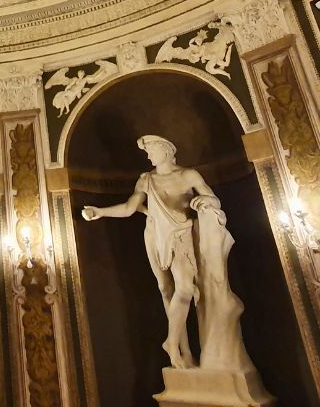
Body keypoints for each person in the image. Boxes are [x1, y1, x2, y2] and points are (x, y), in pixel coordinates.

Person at [81, 135, 220, 369]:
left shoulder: (189, 175)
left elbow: (213, 199)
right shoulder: (146, 180)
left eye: (151, 151)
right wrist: (100, 212)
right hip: (155, 235)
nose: (148, 156)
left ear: (165, 151)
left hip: (181, 234)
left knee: (185, 288)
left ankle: (171, 341)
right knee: (166, 289)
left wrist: (204, 201)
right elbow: (128, 209)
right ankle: (182, 352)